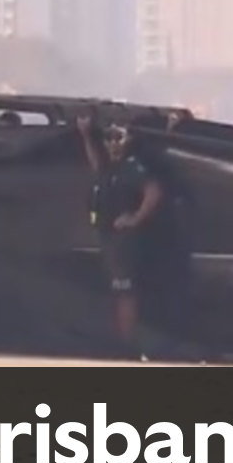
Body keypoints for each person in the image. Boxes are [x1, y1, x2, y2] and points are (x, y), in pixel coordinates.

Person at [76, 115, 162, 358]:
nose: (113, 143)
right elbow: (95, 165)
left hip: (126, 243)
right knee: (113, 292)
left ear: (128, 140)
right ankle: (115, 342)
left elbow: (153, 192)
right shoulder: (108, 167)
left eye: (118, 138)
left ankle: (128, 346)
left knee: (125, 293)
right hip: (107, 241)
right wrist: (85, 135)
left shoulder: (132, 167)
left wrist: (134, 218)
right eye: (109, 138)